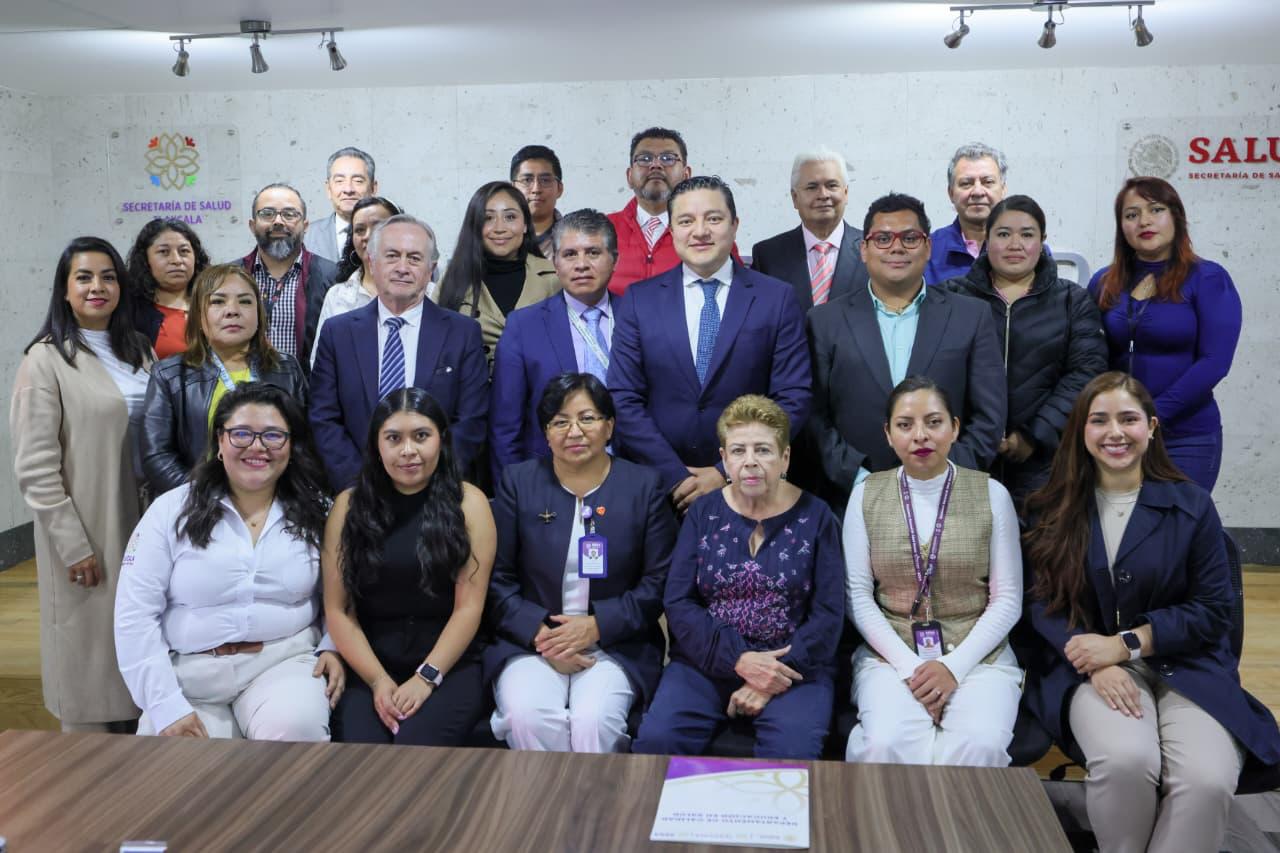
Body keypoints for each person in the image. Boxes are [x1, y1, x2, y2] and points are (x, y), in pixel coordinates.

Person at [1022, 371, 1280, 852]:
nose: (1115, 432)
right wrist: (1090, 661)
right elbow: (1041, 603)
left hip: (1187, 664)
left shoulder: (1193, 505)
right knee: (1125, 761)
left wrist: (1123, 646)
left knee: (1205, 778)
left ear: (1152, 427)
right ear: (1081, 431)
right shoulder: (1049, 507)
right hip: (1089, 671)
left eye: (1129, 419)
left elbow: (1213, 610)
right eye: (1099, 420)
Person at [116, 383, 343, 739]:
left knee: (296, 734)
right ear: (219, 443)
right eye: (241, 434)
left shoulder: (318, 510)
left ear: (290, 446)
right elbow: (134, 614)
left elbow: (342, 593)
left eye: (272, 435)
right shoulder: (170, 511)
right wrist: (165, 705)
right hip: (189, 673)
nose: (257, 447)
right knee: (172, 772)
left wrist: (332, 646)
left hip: (282, 662)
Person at [632, 395, 844, 759]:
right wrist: (740, 660)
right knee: (657, 742)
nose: (750, 462)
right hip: (705, 661)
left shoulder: (818, 516)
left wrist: (772, 675)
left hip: (793, 668)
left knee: (791, 754)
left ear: (785, 458)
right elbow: (679, 602)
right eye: (738, 450)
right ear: (725, 459)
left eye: (763, 450)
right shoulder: (702, 512)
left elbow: (828, 614)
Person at [486, 374, 676, 752]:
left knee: (594, 724)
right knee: (527, 717)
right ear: (545, 432)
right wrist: (541, 634)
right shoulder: (518, 482)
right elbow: (496, 578)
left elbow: (658, 582)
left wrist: (596, 627)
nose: (574, 431)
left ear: (610, 426)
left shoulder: (644, 487)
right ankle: (541, 812)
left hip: (616, 642)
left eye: (587, 418)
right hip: (532, 642)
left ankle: (598, 812)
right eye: (560, 421)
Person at [10, 236, 152, 731]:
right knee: (86, 661)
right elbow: (35, 467)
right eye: (84, 277)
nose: (98, 287)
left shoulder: (138, 350)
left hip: (140, 523)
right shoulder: (45, 361)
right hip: (87, 530)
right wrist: (73, 545)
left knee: (132, 646)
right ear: (64, 290)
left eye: (108, 276)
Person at [844, 376, 1022, 766]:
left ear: (955, 428)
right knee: (885, 744)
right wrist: (915, 670)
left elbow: (1008, 600)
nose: (920, 435)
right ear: (888, 434)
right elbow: (857, 596)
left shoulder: (992, 494)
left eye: (934, 422)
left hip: (978, 656)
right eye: (905, 425)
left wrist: (950, 669)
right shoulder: (866, 494)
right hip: (892, 655)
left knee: (980, 745)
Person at [609, 176, 811, 513]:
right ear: (672, 230)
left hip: (749, 489)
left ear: (734, 225)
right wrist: (675, 476)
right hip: (659, 492)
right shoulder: (639, 301)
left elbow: (792, 397)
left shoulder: (776, 298)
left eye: (713, 219)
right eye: (686, 221)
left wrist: (726, 471)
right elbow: (623, 396)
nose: (700, 231)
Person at [806, 192, 1005, 511]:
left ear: (928, 247)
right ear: (864, 250)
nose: (896, 247)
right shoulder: (825, 321)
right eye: (882, 238)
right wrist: (858, 479)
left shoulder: (971, 316)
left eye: (910, 238)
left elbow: (989, 416)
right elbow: (815, 417)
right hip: (852, 498)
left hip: (950, 500)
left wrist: (939, 475)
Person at [323, 388, 496, 746]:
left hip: (449, 662)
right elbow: (337, 609)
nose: (408, 450)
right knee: (360, 756)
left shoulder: (470, 503)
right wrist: (377, 681)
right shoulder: (348, 505)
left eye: (421, 436)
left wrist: (426, 677)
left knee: (414, 750)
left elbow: (469, 607)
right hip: (370, 662)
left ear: (441, 441)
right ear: (376, 445)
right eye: (393, 438)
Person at [938, 195, 1107, 504]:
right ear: (986, 240)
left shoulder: (1073, 301)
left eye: (1027, 234)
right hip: (965, 460)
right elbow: (937, 373)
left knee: (1042, 549)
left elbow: (1086, 374)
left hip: (1047, 464)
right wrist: (975, 439)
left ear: (1043, 241)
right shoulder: (952, 296)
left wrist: (1033, 435)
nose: (1015, 244)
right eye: (1003, 234)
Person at [310, 214, 489, 491]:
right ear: (372, 262)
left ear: (431, 269)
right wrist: (358, 485)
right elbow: (324, 419)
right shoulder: (338, 333)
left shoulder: (462, 333)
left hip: (438, 492)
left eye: (415, 258)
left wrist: (430, 479)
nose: (402, 267)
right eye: (392, 256)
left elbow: (471, 421)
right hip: (358, 492)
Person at [1087, 177, 1241, 493]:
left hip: (1187, 435)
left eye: (1155, 209)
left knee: (1179, 531)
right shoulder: (1104, 281)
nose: (1144, 221)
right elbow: (1091, 355)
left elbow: (1215, 362)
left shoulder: (1209, 278)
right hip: (1117, 436)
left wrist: (1153, 415)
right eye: (1131, 214)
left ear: (1176, 217)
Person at [140, 263, 308, 497]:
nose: (233, 310)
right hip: (197, 505)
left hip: (275, 503)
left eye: (245, 301)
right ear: (198, 315)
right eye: (218, 301)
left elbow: (304, 444)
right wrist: (206, 497)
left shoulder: (286, 369)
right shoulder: (168, 374)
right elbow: (157, 456)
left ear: (259, 314)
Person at [490, 209, 618, 481]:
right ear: (555, 262)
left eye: (593, 253)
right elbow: (505, 427)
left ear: (614, 259)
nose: (581, 264)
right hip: (548, 479)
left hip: (631, 474)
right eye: (570, 254)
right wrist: (516, 493)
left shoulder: (637, 316)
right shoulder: (523, 326)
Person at [436, 181, 560, 368]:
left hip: (539, 392)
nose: (499, 228)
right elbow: (434, 340)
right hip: (472, 391)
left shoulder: (553, 277)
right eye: (488, 218)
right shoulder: (454, 276)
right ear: (475, 226)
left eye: (510, 217)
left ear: (525, 225)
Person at [750, 146, 868, 311]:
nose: (823, 195)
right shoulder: (767, 256)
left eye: (832, 185)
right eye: (812, 187)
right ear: (795, 198)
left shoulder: (873, 249)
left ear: (846, 193)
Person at [239, 182, 339, 367]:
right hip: (244, 391)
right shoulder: (231, 277)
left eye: (289, 214)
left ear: (305, 225)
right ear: (252, 225)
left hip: (308, 392)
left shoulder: (333, 277)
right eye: (267, 214)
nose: (278, 221)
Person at [313, 195, 406, 361]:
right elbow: (320, 363)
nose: (368, 236)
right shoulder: (337, 296)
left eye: (378, 227)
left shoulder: (425, 291)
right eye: (359, 230)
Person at [605, 127, 692, 295]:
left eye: (668, 158)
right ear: (629, 176)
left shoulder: (705, 232)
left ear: (686, 175)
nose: (656, 165)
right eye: (645, 159)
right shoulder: (602, 229)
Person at [124, 218, 210, 359]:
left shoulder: (214, 301)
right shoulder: (129, 310)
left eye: (184, 251)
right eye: (164, 252)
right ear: (146, 260)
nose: (176, 260)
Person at [926, 143, 1008, 285]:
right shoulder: (928, 251)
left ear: (1003, 190)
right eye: (966, 183)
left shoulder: (1029, 249)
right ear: (951, 193)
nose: (977, 192)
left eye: (987, 182)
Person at [304, 146, 379, 263]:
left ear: (373, 188)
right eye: (339, 181)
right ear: (328, 189)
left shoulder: (392, 233)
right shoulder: (306, 236)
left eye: (358, 181)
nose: (348, 189)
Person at [510, 144, 565, 259]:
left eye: (545, 180)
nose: (536, 189)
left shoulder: (576, 238)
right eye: (527, 180)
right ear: (513, 188)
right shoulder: (495, 238)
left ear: (559, 189)